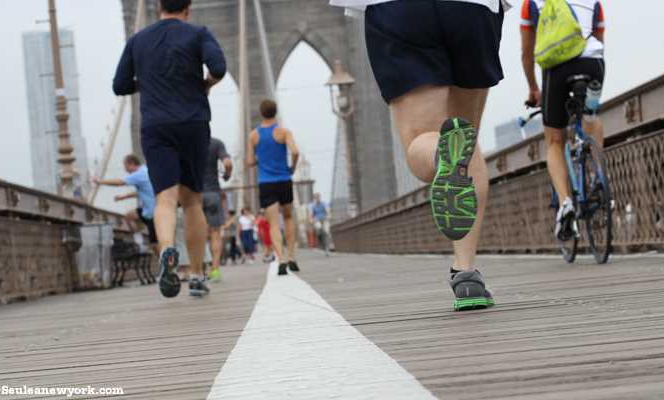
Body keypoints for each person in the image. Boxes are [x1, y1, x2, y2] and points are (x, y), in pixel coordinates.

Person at [329, 0, 506, 311]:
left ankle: (440, 155)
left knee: (423, 138)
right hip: (473, 9)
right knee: (465, 136)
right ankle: (466, 275)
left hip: (401, 10)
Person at [113, 0, 226, 298]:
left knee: (165, 197)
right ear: (187, 8)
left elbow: (120, 85)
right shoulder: (198, 33)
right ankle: (198, 275)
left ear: (159, 7)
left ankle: (167, 251)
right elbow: (219, 67)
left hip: (156, 126)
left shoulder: (137, 41)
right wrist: (206, 84)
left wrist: (147, 82)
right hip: (192, 123)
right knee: (192, 201)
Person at [520, 0, 606, 242]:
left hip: (557, 71)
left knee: (555, 140)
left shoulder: (530, 4)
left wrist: (533, 89)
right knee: (591, 117)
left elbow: (527, 53)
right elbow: (599, 40)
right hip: (593, 64)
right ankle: (599, 175)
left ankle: (565, 202)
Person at [247, 99, 300, 275]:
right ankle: (291, 256)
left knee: (273, 224)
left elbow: (249, 161)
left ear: (261, 113)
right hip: (284, 180)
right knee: (288, 218)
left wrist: (259, 159)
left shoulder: (254, 135)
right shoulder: (284, 132)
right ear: (275, 112)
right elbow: (295, 151)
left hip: (266, 182)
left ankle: (281, 258)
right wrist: (291, 167)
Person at [94, 154, 158, 254]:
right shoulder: (145, 170)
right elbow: (141, 191)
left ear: (131, 164)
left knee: (155, 244)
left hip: (153, 213)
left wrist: (100, 182)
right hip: (150, 210)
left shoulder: (138, 174)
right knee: (129, 216)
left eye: (125, 166)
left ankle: (166, 265)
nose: (125, 170)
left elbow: (120, 182)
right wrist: (123, 197)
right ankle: (140, 243)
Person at [203, 137, 233, 281]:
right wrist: (227, 175)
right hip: (212, 193)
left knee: (198, 234)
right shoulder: (216, 143)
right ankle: (215, 270)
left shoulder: (187, 142)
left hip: (194, 195)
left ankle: (199, 270)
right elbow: (227, 163)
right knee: (215, 233)